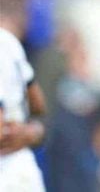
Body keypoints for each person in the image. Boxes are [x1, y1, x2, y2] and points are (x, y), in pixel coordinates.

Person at [0, 26, 47, 192]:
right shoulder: (7, 39)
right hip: (21, 171)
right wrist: (33, 130)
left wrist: (32, 131)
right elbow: (39, 105)